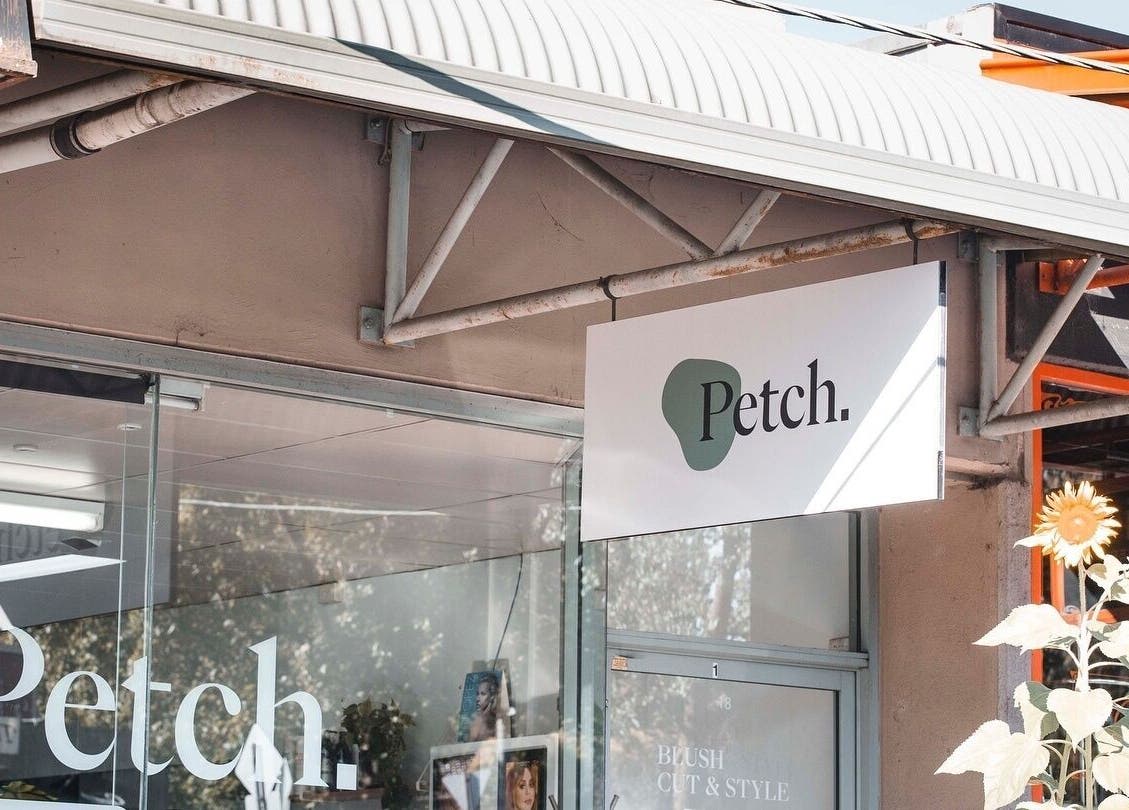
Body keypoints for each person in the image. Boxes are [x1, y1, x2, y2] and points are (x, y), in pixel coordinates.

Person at [467, 672, 500, 742]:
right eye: (477, 694)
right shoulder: (475, 719)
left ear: (492, 697)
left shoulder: (498, 721)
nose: (477, 699)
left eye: (483, 694)